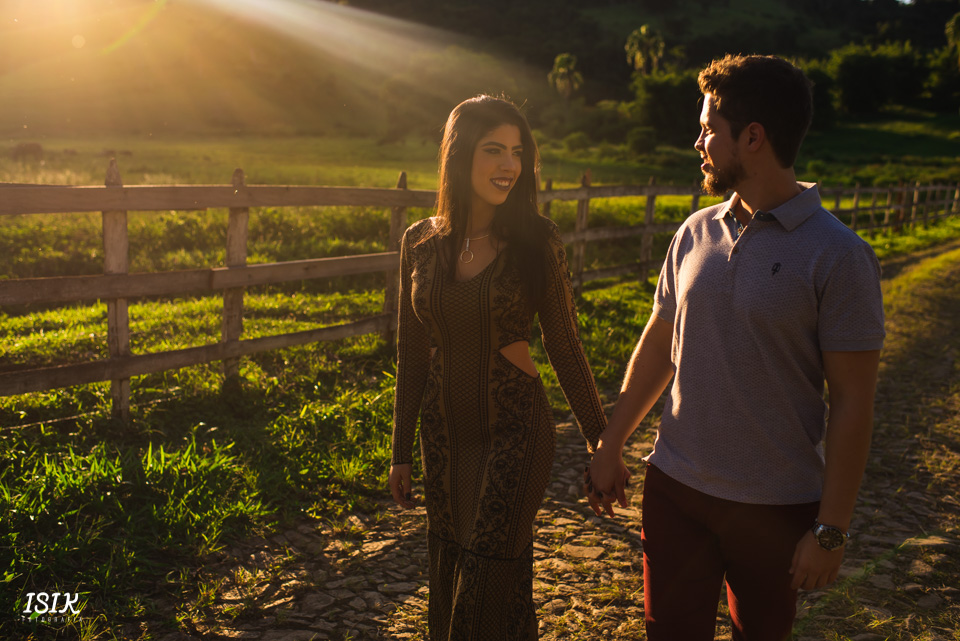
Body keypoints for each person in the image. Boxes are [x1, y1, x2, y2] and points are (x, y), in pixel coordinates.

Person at [587, 54, 885, 641]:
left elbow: (853, 403)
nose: (697, 141)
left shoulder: (840, 256)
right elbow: (658, 346)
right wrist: (610, 442)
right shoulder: (694, 231)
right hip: (674, 491)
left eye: (707, 129)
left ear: (753, 138)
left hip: (774, 509)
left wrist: (831, 530)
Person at [388, 95, 607, 640]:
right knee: (457, 574)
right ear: (458, 156)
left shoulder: (537, 241)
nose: (509, 165)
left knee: (485, 578)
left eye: (517, 151)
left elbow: (563, 342)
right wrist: (399, 452)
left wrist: (601, 441)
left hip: (516, 433)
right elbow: (411, 352)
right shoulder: (418, 242)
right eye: (493, 150)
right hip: (444, 437)